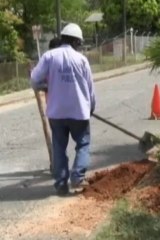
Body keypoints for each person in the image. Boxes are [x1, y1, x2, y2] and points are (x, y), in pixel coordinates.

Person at [31, 23, 96, 196]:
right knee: (83, 143)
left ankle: (61, 183)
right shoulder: (81, 59)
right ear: (75, 41)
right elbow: (90, 88)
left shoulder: (49, 56)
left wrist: (46, 86)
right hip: (78, 112)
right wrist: (91, 106)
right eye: (79, 43)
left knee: (59, 146)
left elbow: (34, 80)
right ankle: (77, 177)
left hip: (56, 112)